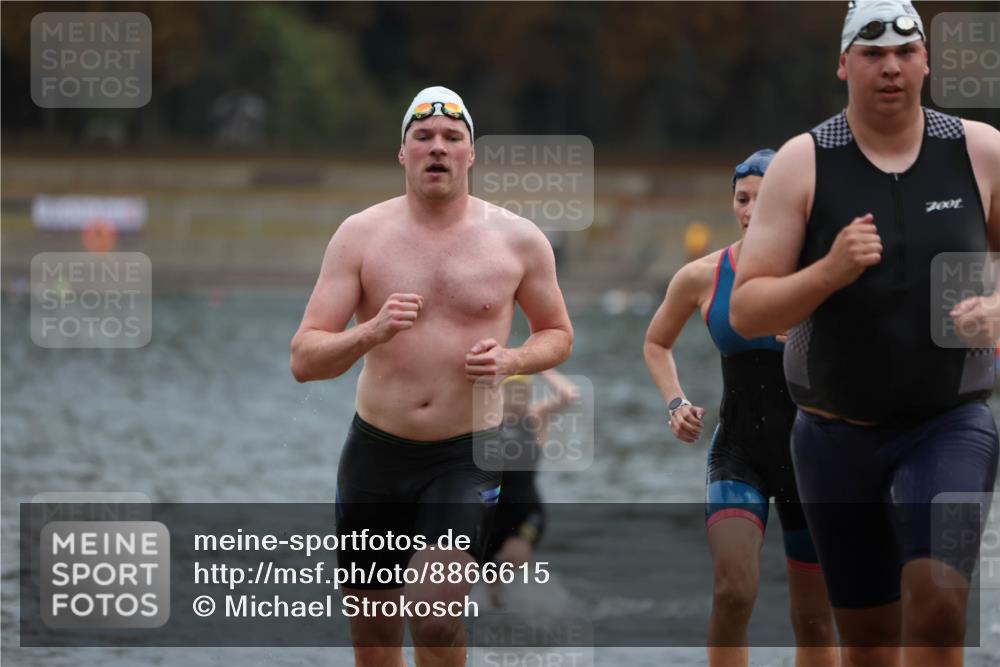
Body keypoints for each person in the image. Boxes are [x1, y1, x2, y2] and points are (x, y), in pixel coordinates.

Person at [730, 2, 1000, 666]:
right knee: (870, 643)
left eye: (906, 52)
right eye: (873, 54)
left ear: (927, 63)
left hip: (950, 420)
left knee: (938, 606)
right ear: (844, 64)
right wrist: (827, 271)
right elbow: (748, 310)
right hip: (833, 434)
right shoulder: (804, 162)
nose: (891, 67)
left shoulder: (979, 151)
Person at [290, 86, 574, 667]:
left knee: (436, 613)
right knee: (373, 635)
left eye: (452, 137)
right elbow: (305, 359)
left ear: (471, 154)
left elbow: (559, 334)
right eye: (423, 137)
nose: (437, 147)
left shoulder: (518, 240)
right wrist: (369, 332)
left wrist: (513, 360)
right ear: (403, 153)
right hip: (375, 454)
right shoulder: (359, 236)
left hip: (464, 455)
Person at [644, 149, 837, 667]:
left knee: (815, 621)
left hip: (815, 460)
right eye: (742, 198)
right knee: (733, 591)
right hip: (739, 454)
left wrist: (812, 334)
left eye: (764, 198)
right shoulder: (703, 277)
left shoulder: (822, 275)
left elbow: (873, 347)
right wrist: (675, 402)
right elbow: (656, 343)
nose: (751, 210)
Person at [484, 370, 580, 608]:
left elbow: (568, 395)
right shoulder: (484, 421)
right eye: (514, 391)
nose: (520, 397)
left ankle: (534, 611)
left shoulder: (535, 418)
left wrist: (541, 368)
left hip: (526, 511)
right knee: (490, 580)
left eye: (525, 391)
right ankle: (500, 620)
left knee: (513, 558)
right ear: (500, 392)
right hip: (490, 513)